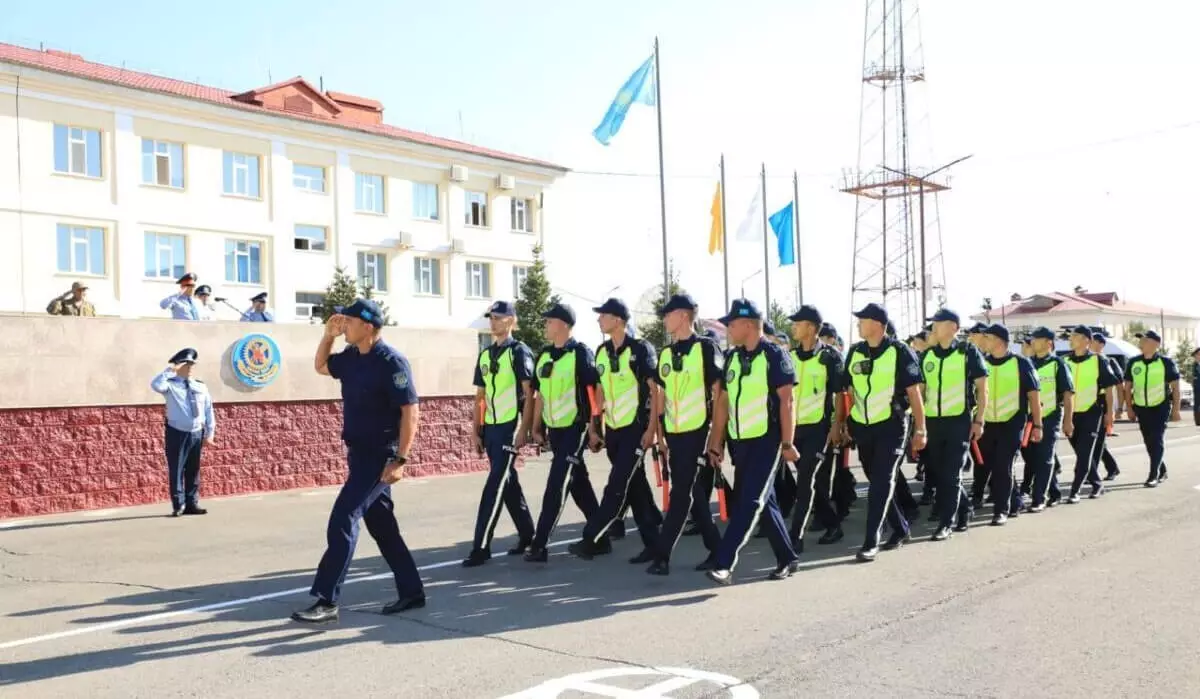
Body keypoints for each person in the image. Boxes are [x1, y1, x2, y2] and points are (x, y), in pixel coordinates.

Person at [292, 299, 424, 623]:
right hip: (358, 453)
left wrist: (401, 459)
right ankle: (412, 591)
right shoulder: (351, 357)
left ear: (368, 326)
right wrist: (328, 336)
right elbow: (321, 366)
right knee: (382, 526)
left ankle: (327, 600)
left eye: (348, 322)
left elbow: (411, 412)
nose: (343, 325)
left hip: (380, 456)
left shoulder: (392, 362)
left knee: (343, 517)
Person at [705, 299, 799, 584]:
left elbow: (787, 401)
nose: (728, 329)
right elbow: (722, 402)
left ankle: (724, 562)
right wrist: (716, 441)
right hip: (740, 442)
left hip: (766, 441)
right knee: (764, 503)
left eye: (732, 324)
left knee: (750, 501)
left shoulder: (774, 356)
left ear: (748, 325)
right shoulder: (732, 358)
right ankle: (787, 557)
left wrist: (787, 442)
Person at [568, 298, 664, 563]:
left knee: (617, 485)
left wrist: (653, 430)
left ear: (619, 320)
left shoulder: (640, 349)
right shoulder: (601, 351)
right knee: (636, 489)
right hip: (614, 431)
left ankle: (592, 538)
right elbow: (599, 394)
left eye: (604, 316)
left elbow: (655, 390)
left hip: (636, 429)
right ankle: (655, 546)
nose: (599, 320)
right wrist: (594, 428)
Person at [646, 293, 725, 575]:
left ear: (682, 316)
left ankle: (661, 554)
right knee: (693, 494)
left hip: (698, 433)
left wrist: (716, 440)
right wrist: (660, 436)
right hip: (675, 434)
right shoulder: (666, 353)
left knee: (681, 493)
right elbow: (660, 396)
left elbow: (719, 395)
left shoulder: (706, 348)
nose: (664, 319)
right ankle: (718, 550)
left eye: (668, 314)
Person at [842, 303, 926, 562]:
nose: (858, 324)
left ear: (878, 324)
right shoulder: (855, 352)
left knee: (881, 482)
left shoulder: (900, 352)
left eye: (862, 320)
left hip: (892, 425)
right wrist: (843, 423)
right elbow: (847, 390)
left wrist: (920, 429)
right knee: (877, 480)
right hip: (863, 426)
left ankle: (871, 540)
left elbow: (914, 393)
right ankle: (900, 528)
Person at [462, 301, 536, 567]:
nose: (493, 322)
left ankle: (481, 546)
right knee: (508, 483)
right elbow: (480, 397)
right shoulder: (485, 355)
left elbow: (529, 394)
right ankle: (528, 534)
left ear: (511, 321)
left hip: (509, 426)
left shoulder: (519, 352)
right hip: (491, 428)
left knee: (494, 486)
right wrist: (476, 430)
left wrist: (523, 429)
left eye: (498, 317)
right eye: (491, 318)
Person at [525, 302, 601, 563]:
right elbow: (540, 396)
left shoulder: (580, 354)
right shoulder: (544, 356)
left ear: (564, 325)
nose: (545, 325)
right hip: (555, 431)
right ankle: (600, 532)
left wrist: (594, 428)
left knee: (557, 483)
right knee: (578, 482)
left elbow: (594, 393)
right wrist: (536, 427)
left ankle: (540, 543)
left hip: (575, 428)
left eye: (550, 321)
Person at [778, 304, 845, 551]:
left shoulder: (829, 356)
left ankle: (795, 538)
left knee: (805, 481)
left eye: (798, 323)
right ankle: (833, 524)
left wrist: (837, 425)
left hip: (820, 429)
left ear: (811, 328)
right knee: (811, 482)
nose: (794, 327)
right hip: (796, 430)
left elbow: (840, 395)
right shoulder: (790, 357)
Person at [919, 309, 988, 539]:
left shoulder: (967, 352)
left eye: (937, 324)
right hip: (932, 422)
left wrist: (979, 420)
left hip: (958, 421)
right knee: (940, 474)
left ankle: (945, 524)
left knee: (951, 474)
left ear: (952, 327)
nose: (933, 329)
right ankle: (965, 508)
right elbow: (920, 391)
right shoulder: (927, 356)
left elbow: (982, 388)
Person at [977, 324, 1042, 524]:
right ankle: (1014, 502)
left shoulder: (1021, 363)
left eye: (987, 337)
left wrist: (1038, 425)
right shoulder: (981, 363)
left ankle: (1001, 510)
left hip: (1012, 423)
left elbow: (1034, 395)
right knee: (992, 466)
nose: (983, 341)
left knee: (1003, 466)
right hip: (987, 424)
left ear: (998, 341)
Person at [150, 348, 215, 517]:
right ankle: (179, 504)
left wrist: (210, 433)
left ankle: (192, 503)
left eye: (192, 364)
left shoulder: (200, 385)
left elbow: (208, 410)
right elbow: (155, 385)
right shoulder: (170, 384)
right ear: (179, 365)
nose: (191, 367)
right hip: (177, 432)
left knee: (193, 470)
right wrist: (170, 370)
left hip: (196, 432)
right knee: (177, 469)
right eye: (187, 364)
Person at [1063, 325, 1119, 503]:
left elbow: (1109, 389)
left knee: (1085, 453)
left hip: (1091, 412)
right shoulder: (1065, 362)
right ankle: (1097, 484)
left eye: (1075, 336)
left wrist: (1110, 413)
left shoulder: (1098, 360)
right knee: (1081, 453)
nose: (1071, 339)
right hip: (1071, 414)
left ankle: (1075, 490)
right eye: (1070, 336)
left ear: (1087, 340)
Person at [1124, 330, 1182, 487]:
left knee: (1156, 439)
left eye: (1144, 339)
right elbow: (1127, 386)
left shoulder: (1166, 362)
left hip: (1160, 406)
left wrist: (1176, 409)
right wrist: (1129, 408)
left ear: (1155, 344)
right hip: (1141, 407)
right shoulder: (1134, 362)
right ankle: (1161, 469)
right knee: (1149, 441)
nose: (1140, 342)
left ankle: (1153, 475)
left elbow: (1175, 388)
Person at [1024, 327, 1072, 511]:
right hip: (1028, 418)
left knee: (1044, 457)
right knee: (1032, 457)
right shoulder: (1027, 363)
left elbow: (1068, 394)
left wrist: (1068, 420)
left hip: (1050, 416)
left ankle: (1039, 498)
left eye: (1036, 339)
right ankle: (1054, 492)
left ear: (1048, 343)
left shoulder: (1058, 364)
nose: (1032, 342)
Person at [1089, 333, 1123, 481]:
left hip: (1102, 403)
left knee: (1098, 440)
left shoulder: (1109, 361)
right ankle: (1111, 467)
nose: (1089, 344)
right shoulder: (1086, 362)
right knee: (1093, 441)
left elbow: (1119, 385)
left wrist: (1117, 409)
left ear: (1101, 345)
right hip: (1087, 404)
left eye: (1093, 342)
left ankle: (1093, 472)